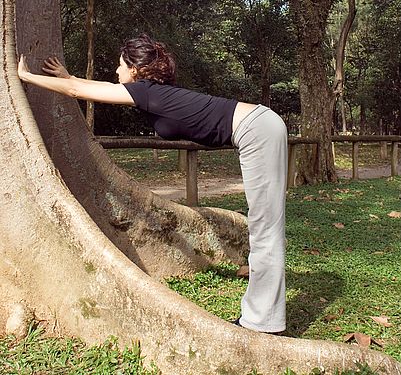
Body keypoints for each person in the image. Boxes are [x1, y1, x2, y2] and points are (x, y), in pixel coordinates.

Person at [17, 33, 288, 335]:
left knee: (266, 226)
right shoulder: (151, 93)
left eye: (120, 66)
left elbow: (75, 91)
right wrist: (69, 76)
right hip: (259, 127)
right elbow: (90, 87)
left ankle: (263, 322)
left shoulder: (145, 92)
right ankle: (262, 312)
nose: (116, 72)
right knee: (264, 224)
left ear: (134, 70)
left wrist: (26, 76)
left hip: (258, 130)